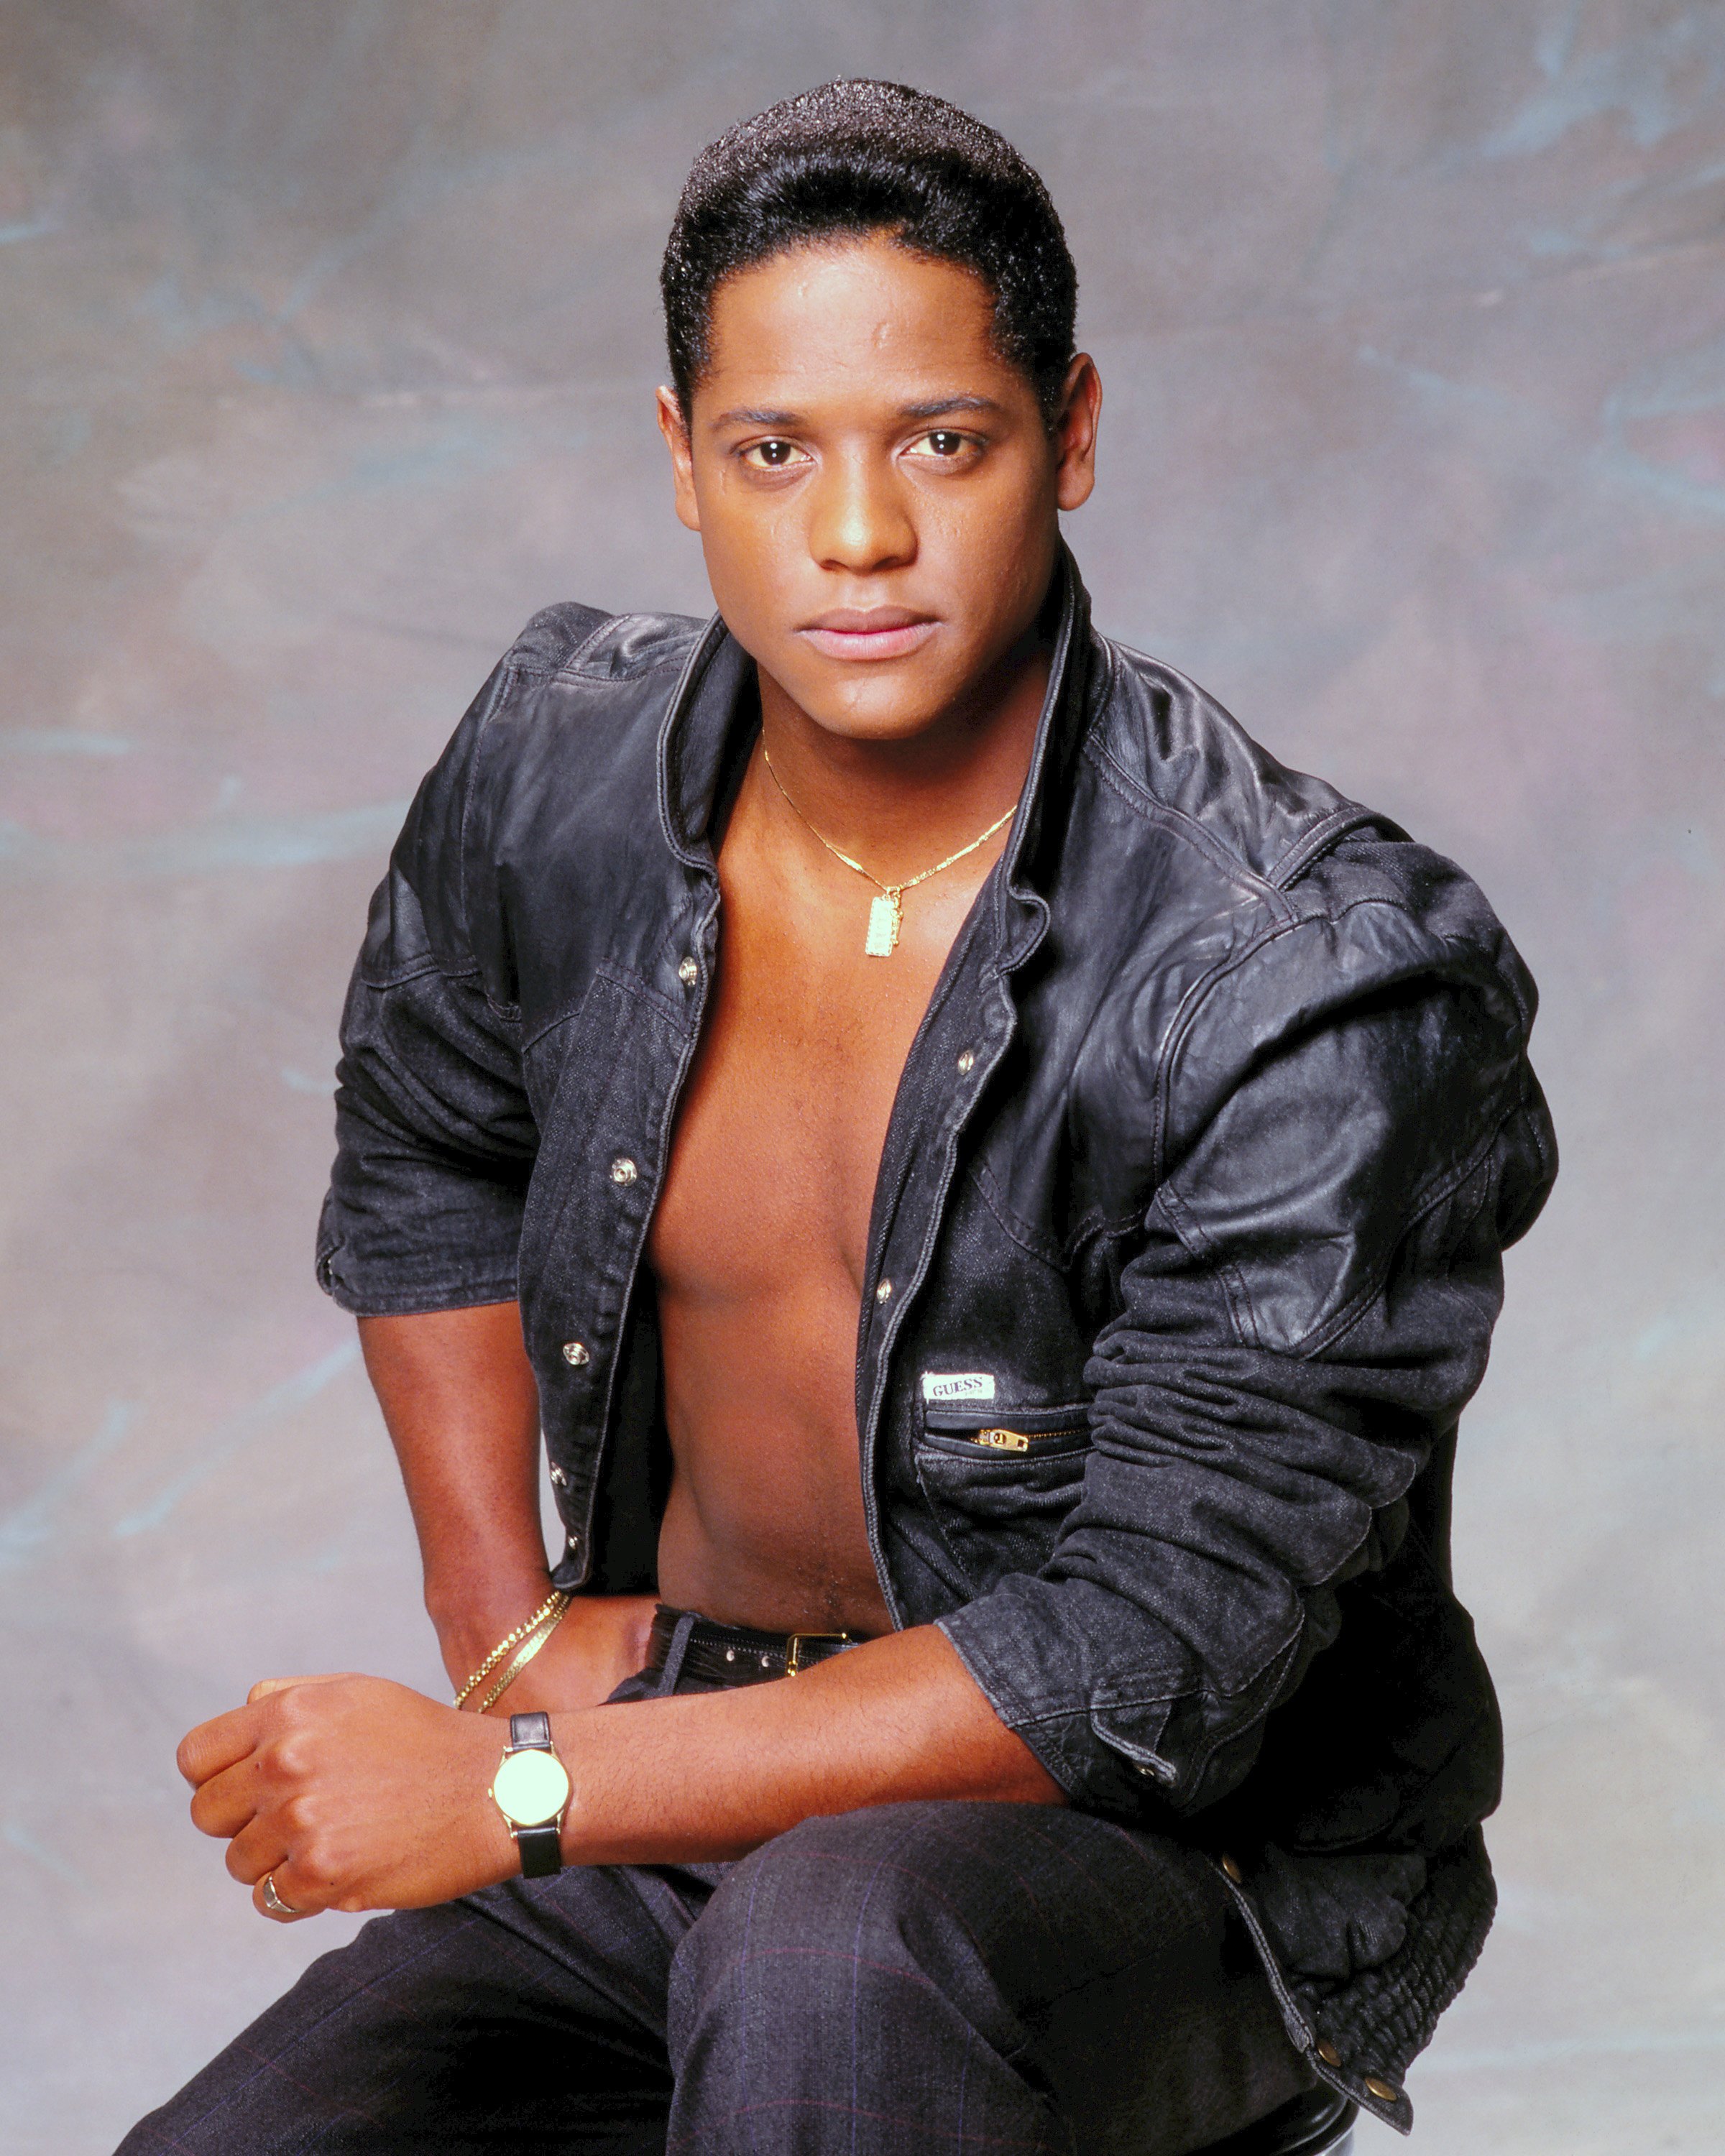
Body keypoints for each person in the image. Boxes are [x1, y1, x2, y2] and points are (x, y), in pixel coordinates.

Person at [120, 78, 1556, 2156]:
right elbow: (428, 1137)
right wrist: (498, 1630)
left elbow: (1140, 1660)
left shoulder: (1313, 971)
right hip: (686, 1769)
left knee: (837, 1954)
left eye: (941, 444)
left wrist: (518, 1795)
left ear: (1068, 435)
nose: (858, 536)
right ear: (680, 460)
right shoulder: (556, 770)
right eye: (775, 450)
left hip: (1173, 1858)